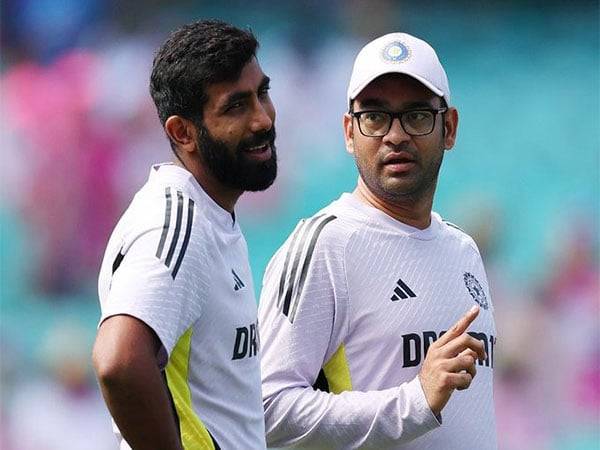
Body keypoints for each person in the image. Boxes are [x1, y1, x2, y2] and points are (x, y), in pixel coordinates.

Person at [258, 32, 497, 449]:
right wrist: (414, 402)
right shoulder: (326, 245)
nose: (396, 135)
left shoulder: (464, 250)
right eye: (375, 116)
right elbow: (266, 410)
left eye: (418, 115)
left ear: (450, 128)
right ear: (350, 132)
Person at [93, 20, 276, 450]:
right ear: (182, 132)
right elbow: (118, 360)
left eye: (262, 94)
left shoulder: (211, 214)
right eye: (236, 106)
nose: (262, 120)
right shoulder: (179, 222)